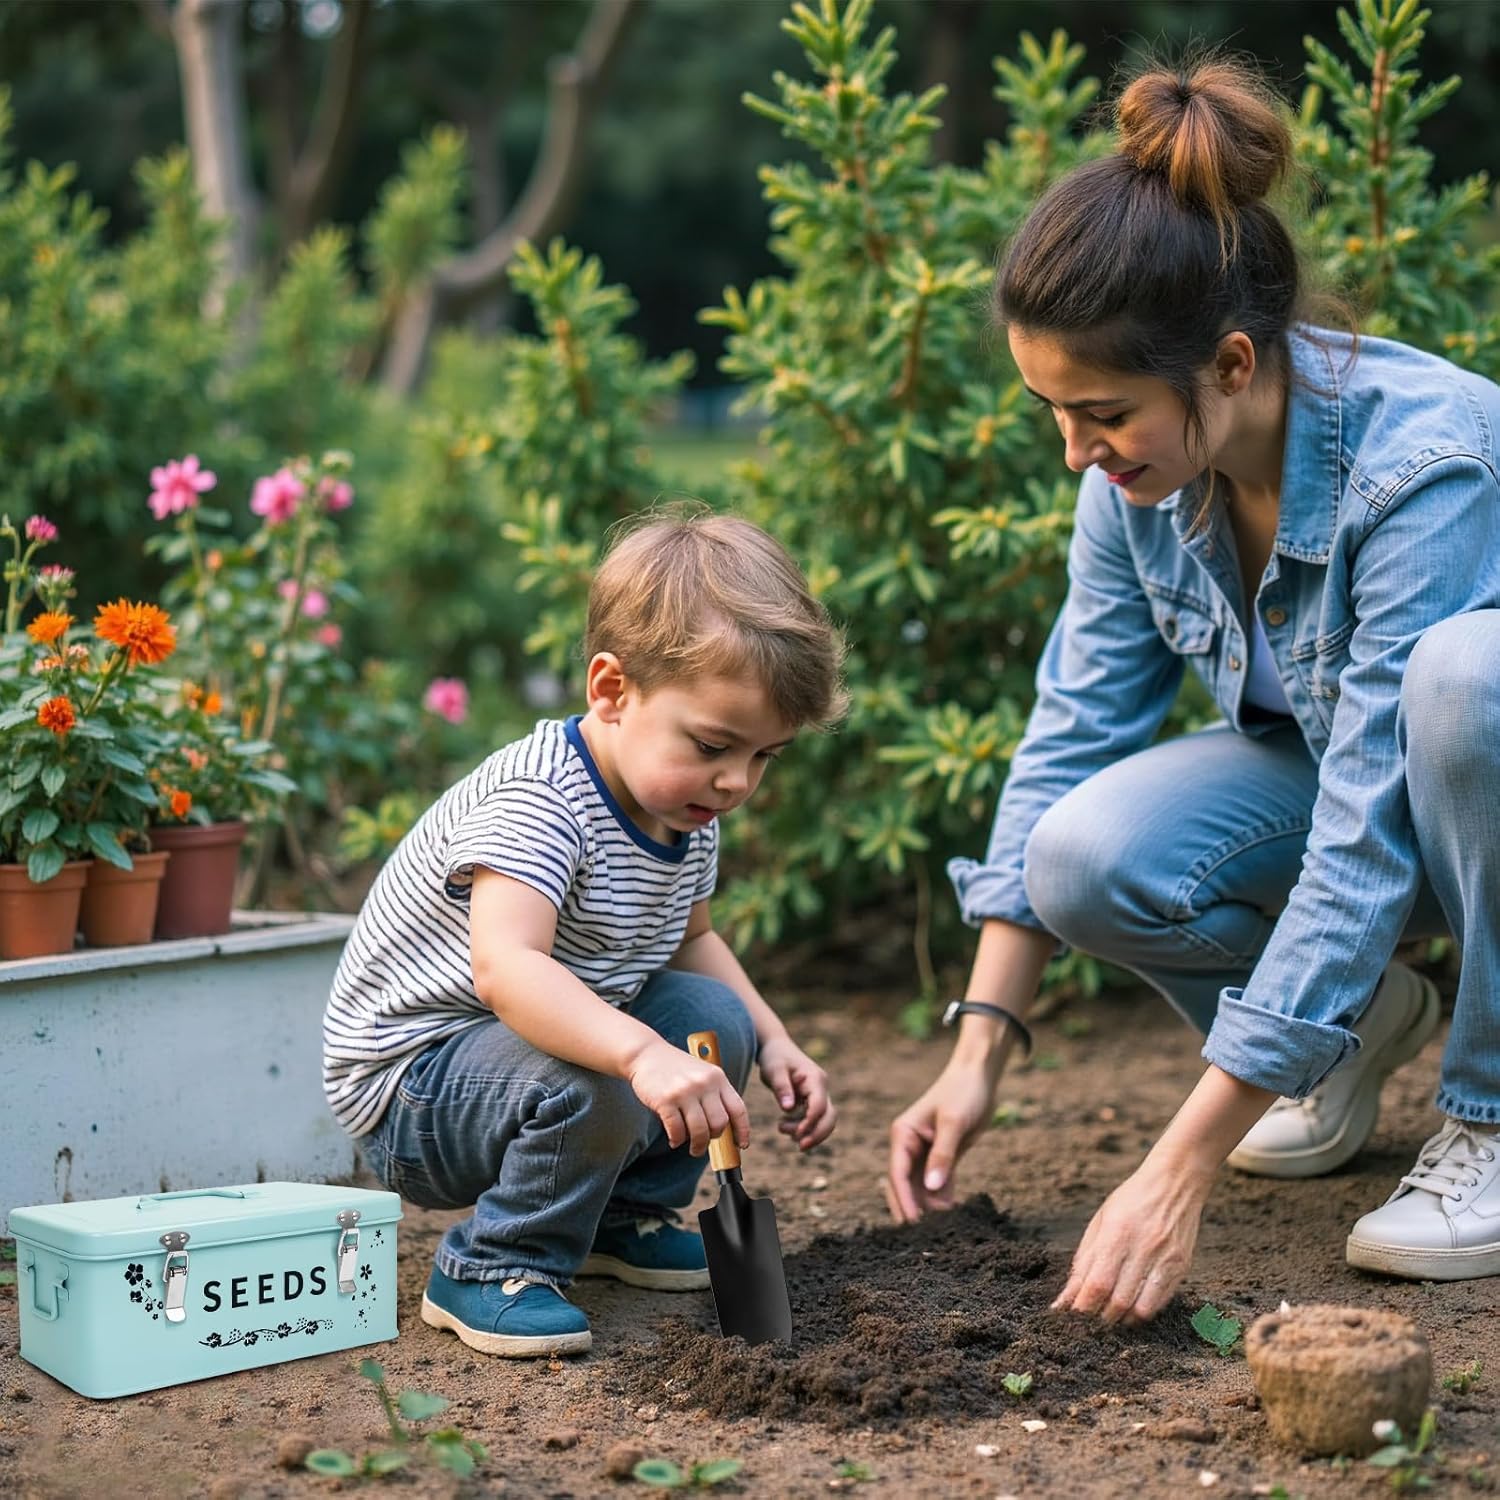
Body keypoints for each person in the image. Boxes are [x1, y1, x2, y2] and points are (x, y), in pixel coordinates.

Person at [886, 57, 1500, 1320]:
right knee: (1081, 853)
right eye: (1053, 410)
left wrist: (1180, 1165)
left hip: (1459, 796)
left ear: (1228, 364)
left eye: (1104, 412)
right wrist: (979, 1049)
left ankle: (1490, 1113)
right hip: (1371, 798)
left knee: (1465, 679)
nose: (1077, 451)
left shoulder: (1423, 467)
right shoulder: (1137, 484)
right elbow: (1071, 733)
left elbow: (1370, 823)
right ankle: (1350, 1030)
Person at [326, 510, 845, 1357]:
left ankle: (622, 1219)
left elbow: (693, 943)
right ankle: (493, 1263)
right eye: (714, 745)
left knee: (716, 1021)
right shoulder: (541, 800)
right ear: (611, 690)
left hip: (522, 1061)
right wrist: (639, 1054)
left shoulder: (685, 806)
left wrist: (776, 1040)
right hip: (414, 1092)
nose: (736, 782)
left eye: (763, 756)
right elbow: (506, 969)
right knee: (607, 1070)